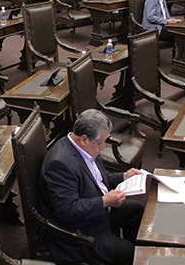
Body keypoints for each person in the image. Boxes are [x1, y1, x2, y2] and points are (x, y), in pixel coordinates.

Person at [39, 109, 144, 265]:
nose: (103, 147)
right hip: (79, 230)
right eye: (100, 143)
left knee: (137, 210)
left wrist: (123, 176)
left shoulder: (85, 147)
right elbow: (67, 212)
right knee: (130, 253)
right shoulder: (60, 164)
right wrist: (104, 201)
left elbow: (98, 179)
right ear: (84, 139)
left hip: (96, 210)